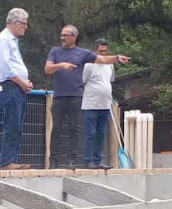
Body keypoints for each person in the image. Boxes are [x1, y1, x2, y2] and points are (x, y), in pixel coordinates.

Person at [44, 25, 130, 169]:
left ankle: (71, 161)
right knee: (56, 129)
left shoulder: (83, 53)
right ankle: (53, 162)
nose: (62, 38)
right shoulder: (55, 51)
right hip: (59, 96)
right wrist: (62, 65)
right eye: (61, 35)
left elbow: (102, 60)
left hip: (76, 96)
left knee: (74, 129)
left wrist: (116, 58)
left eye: (66, 35)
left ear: (74, 37)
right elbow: (47, 69)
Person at [0, 8, 33, 171]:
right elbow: (5, 68)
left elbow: (15, 66)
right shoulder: (2, 40)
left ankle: (12, 159)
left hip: (18, 87)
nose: (26, 27)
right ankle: (6, 161)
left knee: (17, 125)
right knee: (12, 123)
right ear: (15, 23)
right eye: (24, 24)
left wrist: (25, 82)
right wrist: (21, 82)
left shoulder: (13, 41)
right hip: (11, 87)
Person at [82, 39, 117, 169]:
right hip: (90, 105)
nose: (103, 53)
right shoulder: (89, 65)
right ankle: (88, 160)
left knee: (101, 134)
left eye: (105, 51)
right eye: (100, 51)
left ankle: (97, 160)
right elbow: (83, 81)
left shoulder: (110, 65)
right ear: (95, 51)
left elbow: (110, 81)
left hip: (105, 105)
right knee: (90, 133)